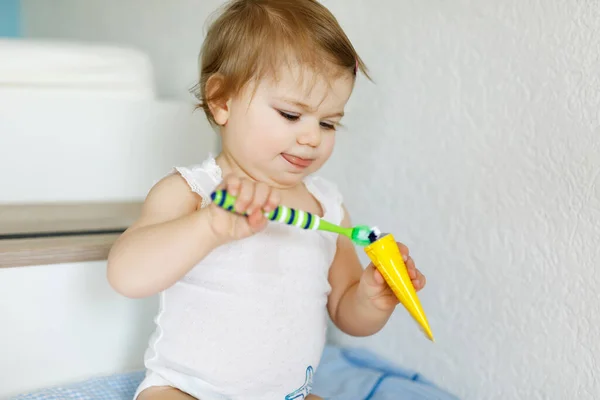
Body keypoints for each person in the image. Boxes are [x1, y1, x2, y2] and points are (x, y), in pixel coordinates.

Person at [107, 1, 426, 399]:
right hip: (188, 390)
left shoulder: (326, 207)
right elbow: (126, 275)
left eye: (328, 122)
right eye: (292, 115)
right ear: (222, 101)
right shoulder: (193, 192)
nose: (312, 137)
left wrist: (370, 297)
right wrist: (210, 226)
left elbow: (345, 311)